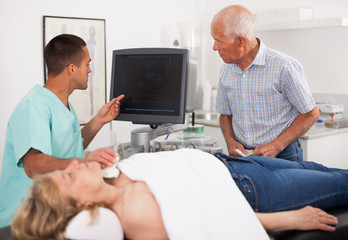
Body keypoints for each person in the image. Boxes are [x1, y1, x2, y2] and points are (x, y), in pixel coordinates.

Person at [11, 149, 345, 240]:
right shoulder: (135, 215)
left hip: (231, 165)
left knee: (330, 171)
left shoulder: (111, 177)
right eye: (70, 176)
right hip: (250, 191)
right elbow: (212, 222)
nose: (74, 164)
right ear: (82, 205)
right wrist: (289, 218)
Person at [0, 34, 124, 227]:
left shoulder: (62, 104)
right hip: (24, 221)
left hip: (53, 213)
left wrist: (99, 121)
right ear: (72, 69)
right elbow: (33, 165)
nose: (90, 70)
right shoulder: (34, 106)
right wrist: (86, 162)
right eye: (87, 64)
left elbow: (70, 147)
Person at [211, 5, 319, 160]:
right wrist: (230, 141)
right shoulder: (226, 70)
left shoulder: (284, 66)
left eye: (219, 41)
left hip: (283, 155)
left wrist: (276, 146)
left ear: (241, 40)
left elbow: (311, 114)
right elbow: (225, 114)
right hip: (244, 156)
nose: (214, 47)